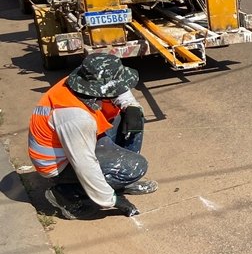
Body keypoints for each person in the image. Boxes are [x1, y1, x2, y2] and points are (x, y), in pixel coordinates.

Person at [28, 53, 157, 219]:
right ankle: (66, 192)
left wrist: (131, 106)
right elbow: (85, 164)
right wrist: (111, 200)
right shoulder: (74, 117)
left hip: (72, 143)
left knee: (134, 116)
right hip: (58, 165)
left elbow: (118, 88)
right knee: (135, 167)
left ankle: (122, 181)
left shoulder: (81, 81)